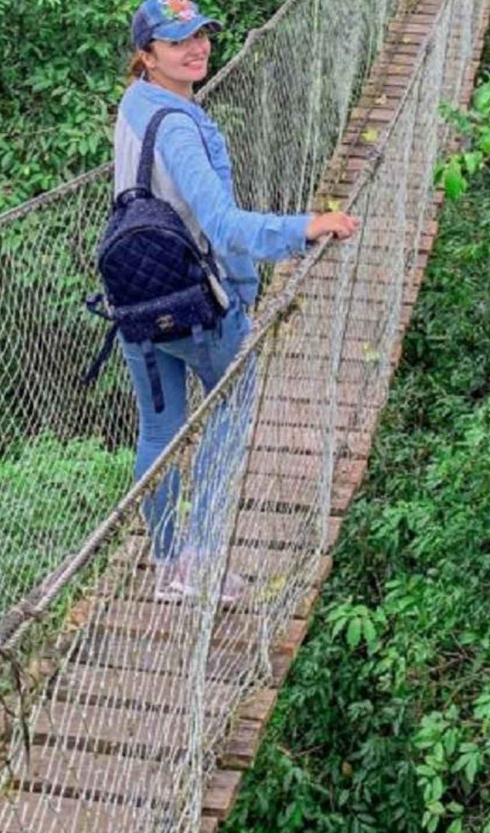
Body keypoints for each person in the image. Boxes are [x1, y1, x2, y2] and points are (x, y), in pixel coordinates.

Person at [116, 0, 359, 603]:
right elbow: (222, 226)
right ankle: (201, 559)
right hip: (199, 302)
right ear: (147, 55)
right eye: (179, 43)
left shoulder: (135, 103)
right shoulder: (176, 124)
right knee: (230, 411)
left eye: (201, 36)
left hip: (134, 297)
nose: (197, 49)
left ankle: (169, 561)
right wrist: (305, 227)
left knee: (160, 431)